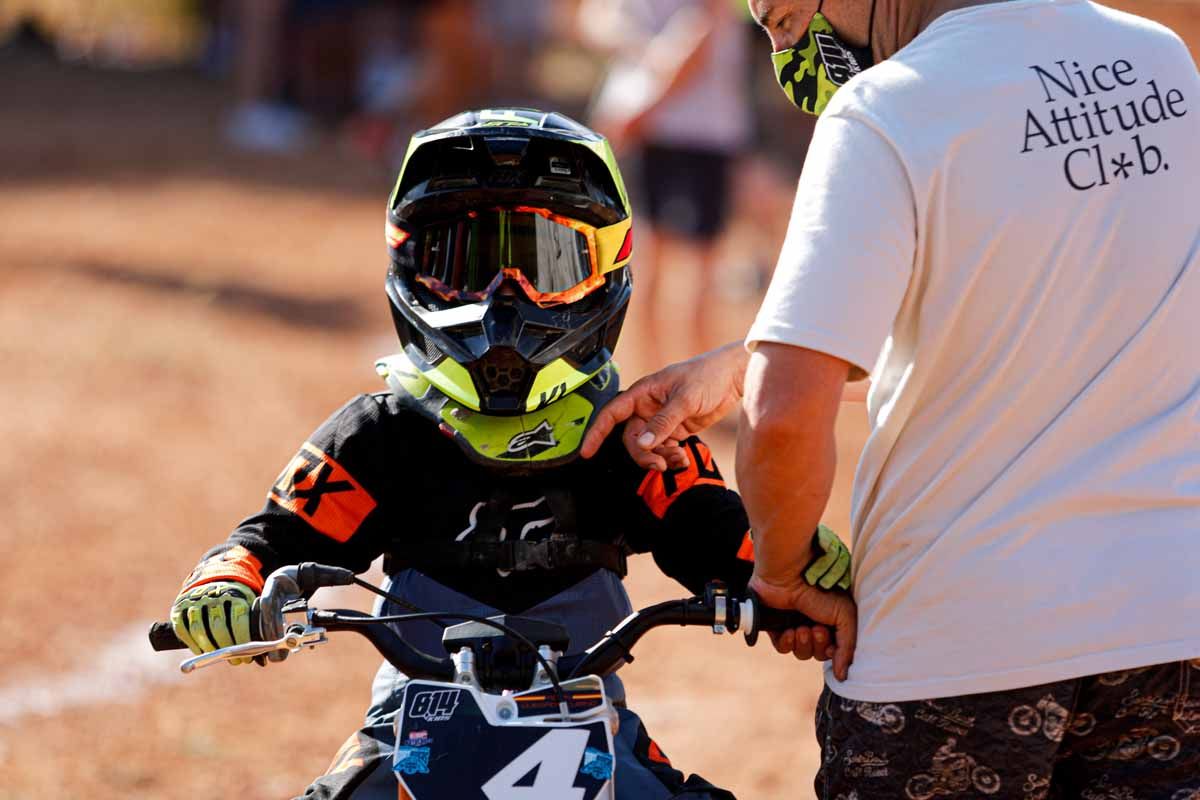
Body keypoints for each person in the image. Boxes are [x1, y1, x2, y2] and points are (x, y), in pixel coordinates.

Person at [581, 0, 1200, 796]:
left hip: (957, 647)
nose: (786, 46)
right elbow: (1042, 303)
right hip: (1170, 627)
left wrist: (783, 572)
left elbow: (782, 416)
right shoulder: (1161, 63)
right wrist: (746, 358)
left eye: (784, 15)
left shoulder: (887, 106)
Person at [166, 108, 851, 800]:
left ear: (605, 269)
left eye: (545, 265)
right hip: (407, 721)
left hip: (595, 725)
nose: (505, 300)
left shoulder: (633, 437)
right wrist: (226, 583)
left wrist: (796, 562)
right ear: (410, 264)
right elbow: (272, 539)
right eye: (465, 266)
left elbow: (719, 532)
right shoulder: (383, 432)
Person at [583, 0, 754, 361]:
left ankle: (676, 387)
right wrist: (638, 51)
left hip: (683, 132)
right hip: (669, 135)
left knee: (681, 272)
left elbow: (701, 38)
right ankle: (668, 388)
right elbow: (595, 19)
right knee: (667, 268)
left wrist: (638, 112)